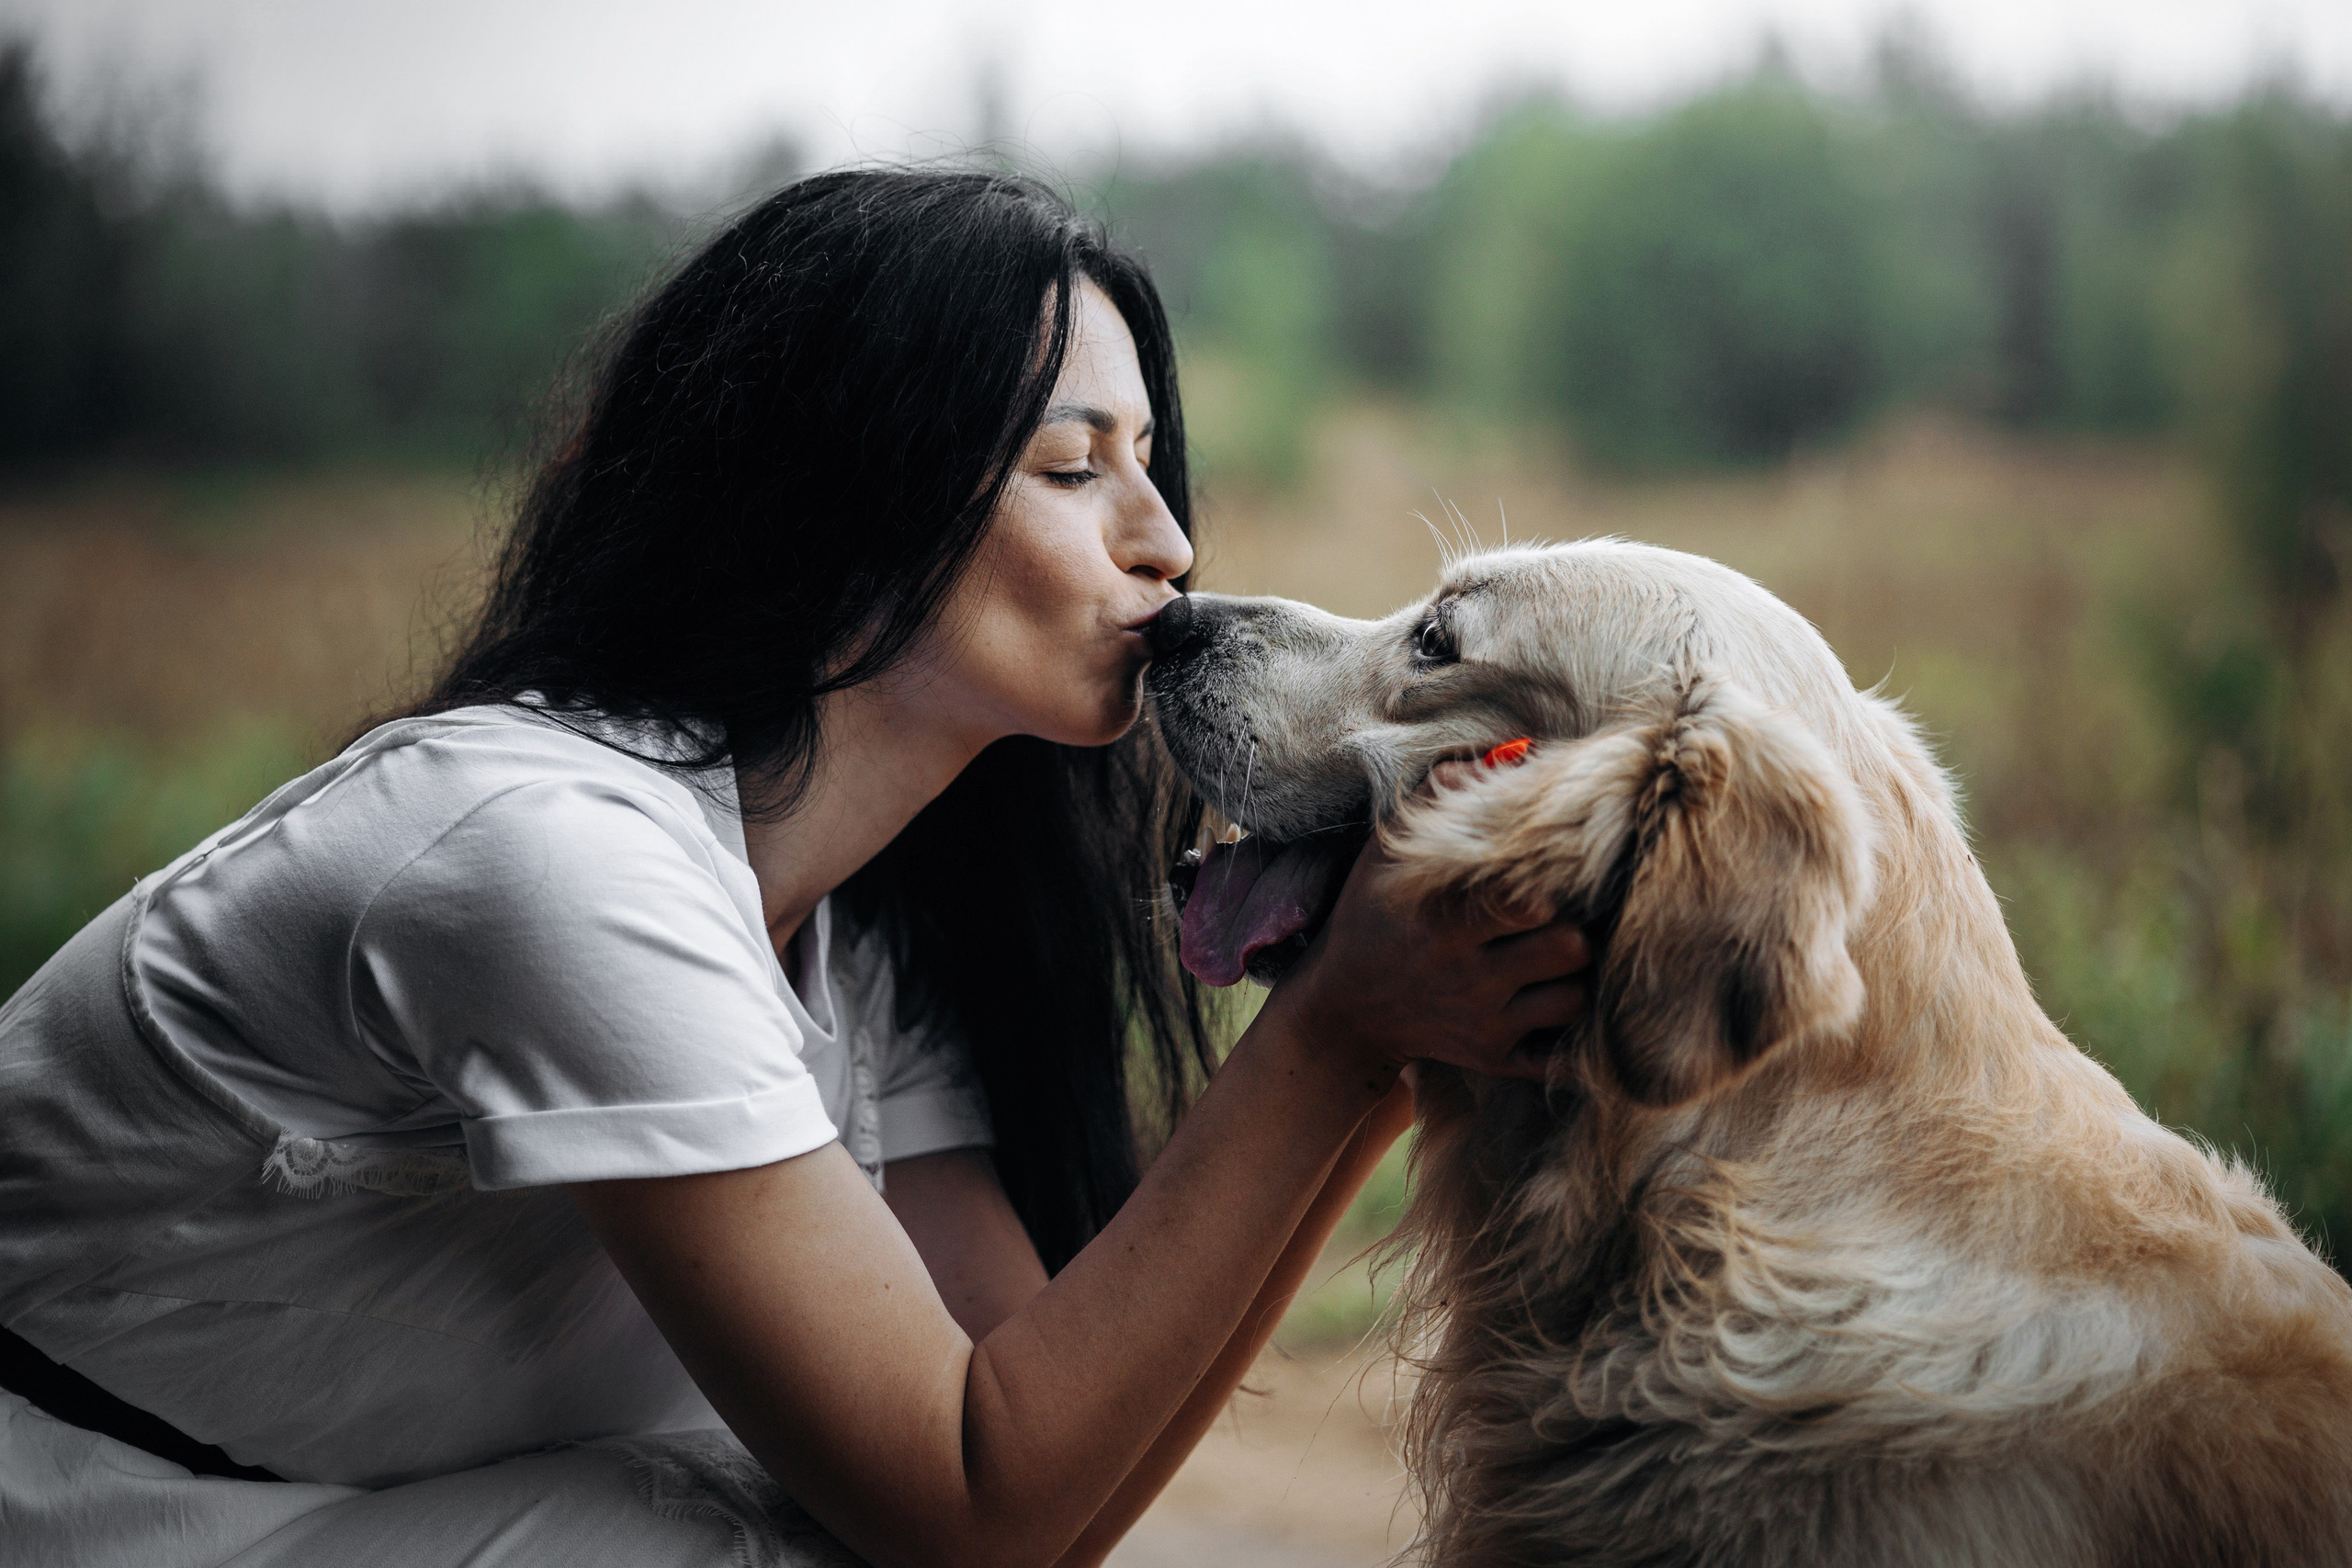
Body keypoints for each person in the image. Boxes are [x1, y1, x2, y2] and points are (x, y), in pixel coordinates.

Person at [0, 170, 1590, 1568]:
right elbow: (975, 1499)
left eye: (1153, 462)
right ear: (851, 495)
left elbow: (1043, 1464)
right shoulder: (552, 863)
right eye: (1071, 465)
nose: (1167, 540)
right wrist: (1336, 1036)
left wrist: (1389, 1026)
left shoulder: (855, 928)